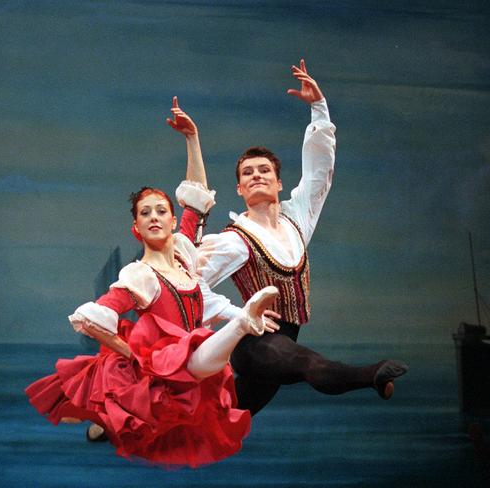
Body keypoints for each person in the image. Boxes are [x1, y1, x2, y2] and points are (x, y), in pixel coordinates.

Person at [25, 100, 280, 468]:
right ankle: (243, 322)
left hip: (192, 366)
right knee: (199, 345)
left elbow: (196, 197)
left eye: (162, 211)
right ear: (136, 228)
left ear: (173, 222)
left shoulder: (184, 254)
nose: (155, 217)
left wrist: (192, 138)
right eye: (146, 213)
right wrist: (133, 356)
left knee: (198, 355)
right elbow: (96, 318)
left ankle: (102, 424)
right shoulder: (139, 276)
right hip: (162, 368)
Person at [174, 59, 408, 415]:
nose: (256, 176)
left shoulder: (296, 219)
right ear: (238, 189)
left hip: (284, 347)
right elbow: (186, 283)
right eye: (247, 173)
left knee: (221, 417)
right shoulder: (235, 240)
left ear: (279, 183)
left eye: (264, 170)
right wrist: (238, 314)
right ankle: (371, 374)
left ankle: (122, 424)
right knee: (311, 365)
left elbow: (319, 174)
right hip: (255, 346)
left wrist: (319, 108)